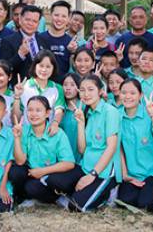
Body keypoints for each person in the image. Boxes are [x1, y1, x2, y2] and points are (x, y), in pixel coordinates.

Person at [46, 74, 120, 212]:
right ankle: (84, 191)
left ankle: (109, 191)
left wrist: (92, 175)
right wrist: (81, 123)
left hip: (103, 171)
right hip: (85, 165)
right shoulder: (89, 112)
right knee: (53, 180)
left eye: (90, 89)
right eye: (82, 90)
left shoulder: (110, 111)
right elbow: (82, 150)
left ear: (100, 91)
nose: (86, 94)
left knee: (76, 206)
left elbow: (111, 147)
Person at [9, 96, 76, 206]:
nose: (33, 114)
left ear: (47, 113)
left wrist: (42, 171)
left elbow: (69, 163)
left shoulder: (58, 133)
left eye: (38, 110)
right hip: (32, 173)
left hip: (51, 175)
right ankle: (25, 197)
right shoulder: (24, 131)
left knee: (43, 185)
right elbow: (20, 161)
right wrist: (17, 138)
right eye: (30, 110)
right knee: (16, 173)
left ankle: (57, 197)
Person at [118, 79, 153, 212]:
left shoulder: (149, 113)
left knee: (147, 205)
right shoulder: (117, 116)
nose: (127, 96)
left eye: (132, 93)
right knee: (125, 202)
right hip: (132, 174)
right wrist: (125, 174)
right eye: (124, 92)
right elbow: (119, 148)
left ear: (140, 95)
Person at [13, 50, 66, 132]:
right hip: (26, 134)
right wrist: (17, 96)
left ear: (53, 68)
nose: (44, 70)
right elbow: (17, 118)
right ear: (34, 66)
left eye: (48, 67)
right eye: (41, 66)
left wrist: (55, 123)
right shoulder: (23, 87)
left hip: (48, 134)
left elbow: (59, 110)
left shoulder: (57, 88)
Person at [0, 5, 48, 80]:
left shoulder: (44, 40)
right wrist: (20, 55)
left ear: (38, 24)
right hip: (20, 85)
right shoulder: (8, 41)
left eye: (34, 21)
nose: (30, 24)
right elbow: (4, 69)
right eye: (27, 20)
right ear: (20, 19)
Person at [38, 0, 77, 82]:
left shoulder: (71, 43)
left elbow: (75, 68)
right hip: (41, 85)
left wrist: (73, 52)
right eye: (56, 15)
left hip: (62, 87)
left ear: (68, 18)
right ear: (51, 15)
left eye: (63, 16)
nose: (59, 19)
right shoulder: (39, 38)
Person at [61, 72, 83, 163]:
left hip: (81, 160)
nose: (68, 88)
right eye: (65, 85)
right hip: (63, 158)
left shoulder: (84, 107)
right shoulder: (60, 108)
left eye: (72, 85)